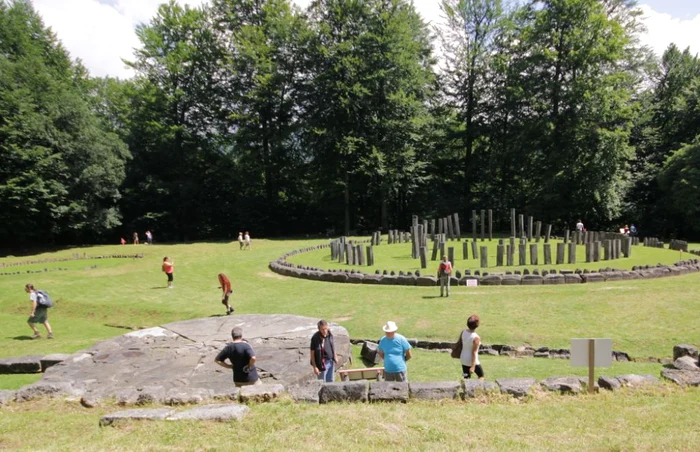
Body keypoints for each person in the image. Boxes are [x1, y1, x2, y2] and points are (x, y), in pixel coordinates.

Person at [460, 315, 484, 380]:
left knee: (466, 376)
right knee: (481, 376)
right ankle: (479, 389)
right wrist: (473, 366)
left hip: (463, 358)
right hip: (471, 360)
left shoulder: (463, 332)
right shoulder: (476, 338)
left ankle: (465, 388)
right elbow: (474, 352)